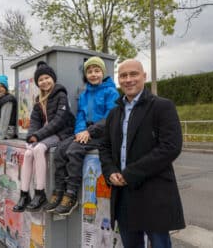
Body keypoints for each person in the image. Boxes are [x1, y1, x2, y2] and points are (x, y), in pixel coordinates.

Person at [98, 59, 185, 248]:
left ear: (144, 77)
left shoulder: (162, 106)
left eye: (133, 74)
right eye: (123, 75)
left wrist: (129, 174)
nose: (128, 79)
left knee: (160, 244)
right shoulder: (114, 113)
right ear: (118, 80)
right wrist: (110, 171)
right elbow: (104, 147)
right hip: (124, 195)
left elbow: (170, 147)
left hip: (154, 193)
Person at [44, 56, 119, 216]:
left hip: (102, 133)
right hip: (84, 132)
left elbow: (110, 118)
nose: (93, 74)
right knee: (59, 151)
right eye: (90, 71)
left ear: (102, 73)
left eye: (97, 71)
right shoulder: (85, 94)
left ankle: (71, 194)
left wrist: (88, 132)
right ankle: (59, 191)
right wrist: (79, 131)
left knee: (74, 150)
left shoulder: (111, 91)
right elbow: (80, 116)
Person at [12, 61, 75, 212]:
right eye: (40, 80)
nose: (44, 81)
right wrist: (30, 136)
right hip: (46, 135)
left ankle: (40, 193)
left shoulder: (61, 95)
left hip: (62, 133)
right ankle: (24, 193)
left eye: (47, 78)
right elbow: (34, 122)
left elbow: (58, 121)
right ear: (37, 83)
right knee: (28, 153)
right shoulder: (38, 101)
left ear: (53, 79)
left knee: (39, 148)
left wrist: (37, 136)